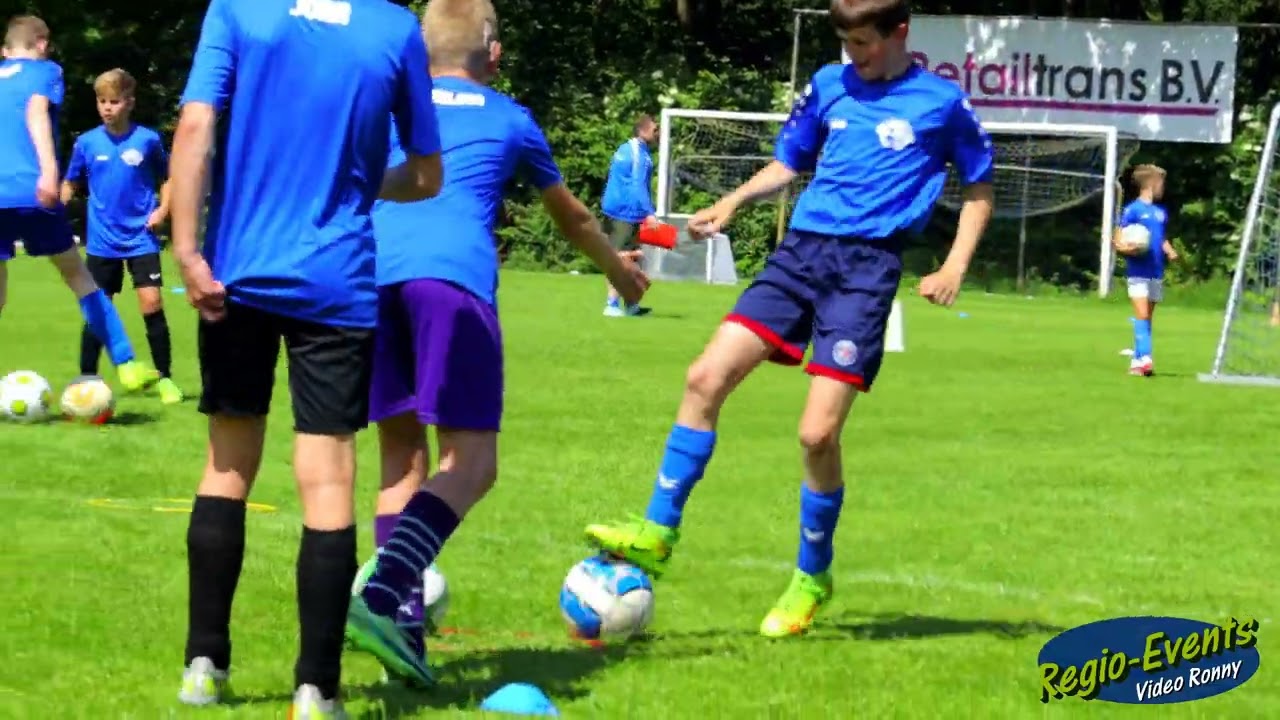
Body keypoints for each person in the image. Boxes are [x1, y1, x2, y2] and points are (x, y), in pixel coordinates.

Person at [582, 0, 995, 638]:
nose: (854, 55)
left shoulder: (941, 103)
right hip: (799, 255)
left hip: (865, 273)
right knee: (704, 377)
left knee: (816, 436)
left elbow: (979, 187)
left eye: (864, 42)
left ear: (900, 33)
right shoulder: (830, 85)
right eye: (847, 42)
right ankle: (657, 531)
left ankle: (811, 576)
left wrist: (954, 266)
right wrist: (733, 201)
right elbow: (789, 162)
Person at [344, 0, 649, 687]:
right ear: (496, 54)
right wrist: (618, 273)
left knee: (400, 458)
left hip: (371, 280)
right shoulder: (510, 117)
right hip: (450, 284)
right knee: (473, 462)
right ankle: (385, 590)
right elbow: (572, 217)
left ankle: (400, 638)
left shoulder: (391, 106)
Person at [169, 0, 442, 715]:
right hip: (336, 280)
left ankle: (203, 665)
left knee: (227, 465)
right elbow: (426, 176)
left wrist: (188, 250)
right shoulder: (395, 28)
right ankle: (317, 688)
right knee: (328, 481)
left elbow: (195, 127)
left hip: (237, 275)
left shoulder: (237, 9)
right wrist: (358, 183)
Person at [0, 16, 158, 392]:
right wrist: (48, 171)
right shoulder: (45, 71)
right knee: (78, 277)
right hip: (31, 190)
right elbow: (36, 112)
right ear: (42, 43)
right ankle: (127, 363)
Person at [61, 68, 183, 403]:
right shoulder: (86, 142)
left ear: (129, 102)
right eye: (102, 101)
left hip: (141, 236)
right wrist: (53, 210)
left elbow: (168, 178)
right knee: (98, 309)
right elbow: (70, 183)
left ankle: (165, 378)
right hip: (102, 241)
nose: (107, 107)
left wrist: (162, 210)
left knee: (152, 302)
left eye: (114, 101)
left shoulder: (148, 140)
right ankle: (86, 378)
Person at [1114, 164, 1176, 376]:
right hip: (1137, 272)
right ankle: (1146, 358)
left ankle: (1137, 363)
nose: (1163, 188)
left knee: (1146, 318)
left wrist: (1169, 250)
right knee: (1141, 315)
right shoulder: (1133, 210)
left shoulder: (1159, 213)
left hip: (1156, 272)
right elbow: (1118, 240)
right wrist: (1129, 249)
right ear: (1151, 184)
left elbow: (1159, 237)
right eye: (1161, 183)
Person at [600, 112, 659, 317]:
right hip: (624, 213)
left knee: (632, 259)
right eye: (655, 129)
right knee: (621, 259)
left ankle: (631, 305)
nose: (658, 133)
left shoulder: (629, 148)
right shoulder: (638, 154)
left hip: (623, 210)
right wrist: (649, 213)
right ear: (642, 130)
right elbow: (637, 186)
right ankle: (611, 304)